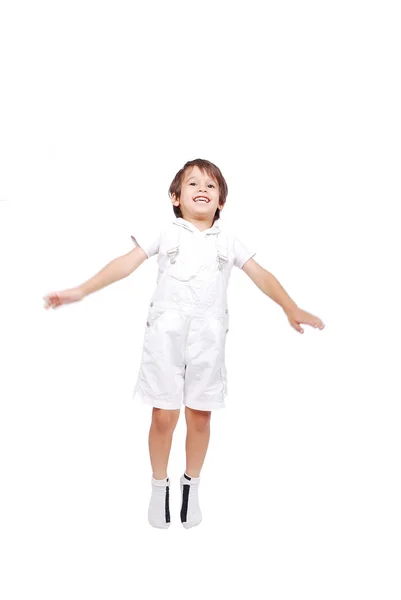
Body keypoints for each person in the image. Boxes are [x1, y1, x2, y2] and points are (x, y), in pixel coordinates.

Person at [43, 158, 325, 530]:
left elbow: (262, 275)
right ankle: (159, 484)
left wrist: (291, 307)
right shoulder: (166, 233)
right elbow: (124, 264)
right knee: (163, 415)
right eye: (193, 184)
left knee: (200, 415)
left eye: (211, 186)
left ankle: (191, 483)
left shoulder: (227, 240)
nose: (203, 190)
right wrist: (79, 290)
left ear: (221, 201)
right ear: (176, 197)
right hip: (165, 337)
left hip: (208, 341)